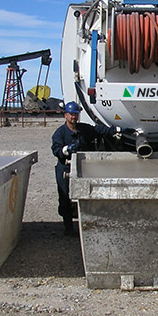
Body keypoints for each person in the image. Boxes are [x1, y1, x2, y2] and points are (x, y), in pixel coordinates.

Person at [51, 101, 119, 236]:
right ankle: (68, 227)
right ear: (65, 115)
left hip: (84, 167)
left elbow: (99, 131)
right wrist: (66, 150)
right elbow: (56, 149)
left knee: (86, 195)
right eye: (71, 114)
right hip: (65, 167)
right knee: (64, 198)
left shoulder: (84, 129)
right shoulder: (60, 133)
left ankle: (87, 224)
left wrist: (118, 129)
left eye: (76, 114)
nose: (73, 117)